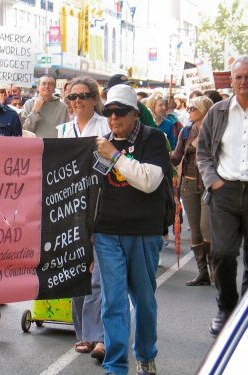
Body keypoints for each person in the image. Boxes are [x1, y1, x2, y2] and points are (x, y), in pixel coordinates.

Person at [95, 84, 170, 375]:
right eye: (108, 112)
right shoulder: (101, 143)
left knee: (144, 300)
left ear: (135, 114)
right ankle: (115, 366)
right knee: (113, 301)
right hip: (107, 232)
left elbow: (149, 181)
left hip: (143, 231)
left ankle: (146, 355)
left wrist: (115, 155)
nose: (113, 118)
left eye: (120, 112)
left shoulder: (153, 138)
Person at [197, 56, 248, 337]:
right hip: (224, 191)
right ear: (232, 80)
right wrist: (213, 181)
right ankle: (226, 307)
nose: (242, 82)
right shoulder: (218, 111)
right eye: (238, 78)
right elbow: (203, 152)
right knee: (223, 253)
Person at [56, 76, 109, 361]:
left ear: (94, 98)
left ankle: (97, 334)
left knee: (97, 274)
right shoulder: (63, 129)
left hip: (99, 202)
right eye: (72, 97)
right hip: (69, 205)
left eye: (83, 96)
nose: (78, 101)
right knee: (76, 271)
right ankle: (83, 333)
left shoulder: (106, 126)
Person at [171, 96, 214, 286]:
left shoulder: (215, 130)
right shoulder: (187, 131)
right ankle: (202, 272)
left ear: (204, 110)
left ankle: (215, 270)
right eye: (188, 108)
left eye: (193, 108)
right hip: (188, 185)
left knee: (207, 229)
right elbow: (176, 157)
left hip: (208, 185)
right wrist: (162, 151)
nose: (189, 111)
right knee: (195, 230)